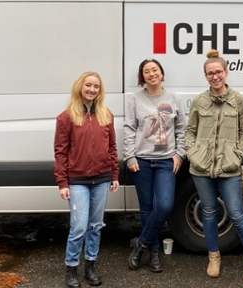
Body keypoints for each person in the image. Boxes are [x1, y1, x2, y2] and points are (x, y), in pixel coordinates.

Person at [185, 49, 243, 284]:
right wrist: (193, 153)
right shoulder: (200, 100)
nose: (215, 76)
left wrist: (237, 156)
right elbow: (190, 131)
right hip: (202, 168)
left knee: (238, 215)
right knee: (209, 213)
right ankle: (214, 258)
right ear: (205, 76)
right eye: (210, 73)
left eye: (218, 72)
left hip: (229, 167)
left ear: (226, 73)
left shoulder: (237, 99)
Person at [53, 71, 120, 288]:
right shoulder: (66, 117)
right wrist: (62, 182)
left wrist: (114, 175)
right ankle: (71, 267)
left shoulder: (106, 114)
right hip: (77, 180)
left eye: (96, 87)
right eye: (88, 85)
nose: (92, 90)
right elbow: (60, 152)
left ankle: (90, 264)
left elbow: (112, 148)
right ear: (80, 87)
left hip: (102, 179)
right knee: (79, 226)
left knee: (95, 225)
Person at [124, 59, 186, 273]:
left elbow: (182, 129)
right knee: (147, 208)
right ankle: (154, 251)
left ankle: (140, 244)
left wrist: (180, 154)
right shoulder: (135, 99)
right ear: (142, 77)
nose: (152, 74)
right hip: (141, 161)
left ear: (161, 73)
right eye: (147, 71)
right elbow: (129, 129)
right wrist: (129, 157)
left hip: (165, 161)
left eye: (155, 70)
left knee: (165, 205)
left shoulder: (173, 98)